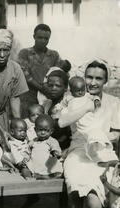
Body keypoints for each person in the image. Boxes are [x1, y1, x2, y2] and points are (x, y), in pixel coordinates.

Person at [59, 60, 120, 208]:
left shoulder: (113, 101)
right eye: (89, 77)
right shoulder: (74, 100)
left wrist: (97, 137)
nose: (92, 82)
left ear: (105, 80)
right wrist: (86, 107)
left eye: (98, 78)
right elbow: (61, 122)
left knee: (95, 199)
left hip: (103, 153)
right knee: (77, 193)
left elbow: (116, 135)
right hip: (78, 154)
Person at [17, 23, 61, 118]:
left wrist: (49, 88)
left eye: (46, 38)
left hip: (48, 97)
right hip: (29, 97)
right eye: (40, 37)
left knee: (46, 125)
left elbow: (60, 73)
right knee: (28, 124)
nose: (43, 41)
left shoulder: (54, 55)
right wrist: (41, 87)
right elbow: (24, 74)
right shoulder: (25, 53)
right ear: (34, 37)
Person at [26, 114, 63, 180]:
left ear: (51, 131)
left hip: (49, 167)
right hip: (35, 165)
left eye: (46, 130)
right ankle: (31, 176)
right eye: (40, 130)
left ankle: (41, 177)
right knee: (25, 168)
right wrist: (26, 158)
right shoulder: (33, 141)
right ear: (35, 130)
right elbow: (28, 151)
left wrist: (55, 152)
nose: (43, 133)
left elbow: (55, 148)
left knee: (59, 175)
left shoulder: (52, 141)